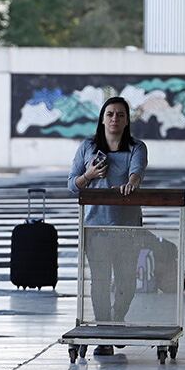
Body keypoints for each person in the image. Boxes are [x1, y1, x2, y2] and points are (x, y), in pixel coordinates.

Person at [68, 96, 148, 356]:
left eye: (121, 115)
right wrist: (88, 176)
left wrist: (132, 182)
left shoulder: (136, 147)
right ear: (102, 118)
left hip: (127, 227)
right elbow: (71, 185)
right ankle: (105, 333)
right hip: (96, 228)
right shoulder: (87, 148)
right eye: (110, 114)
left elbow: (137, 172)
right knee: (100, 282)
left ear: (127, 121)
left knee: (126, 280)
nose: (115, 119)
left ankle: (117, 320)